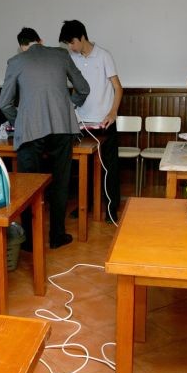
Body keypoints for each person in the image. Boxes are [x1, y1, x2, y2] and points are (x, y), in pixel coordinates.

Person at [0, 27, 89, 249]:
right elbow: (84, 88)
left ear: (22, 46)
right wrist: (69, 106)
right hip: (62, 127)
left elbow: (5, 103)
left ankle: (29, 241)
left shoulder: (16, 62)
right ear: (41, 40)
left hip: (30, 131)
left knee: (29, 185)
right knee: (60, 182)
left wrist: (20, 120)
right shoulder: (60, 55)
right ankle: (57, 236)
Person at [59, 20, 123, 223]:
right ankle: (85, 206)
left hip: (104, 121)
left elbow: (118, 88)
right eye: (68, 44)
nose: (71, 47)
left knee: (109, 167)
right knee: (83, 168)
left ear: (82, 37)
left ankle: (112, 210)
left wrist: (113, 112)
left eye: (72, 42)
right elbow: (74, 89)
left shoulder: (104, 56)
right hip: (81, 121)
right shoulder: (72, 58)